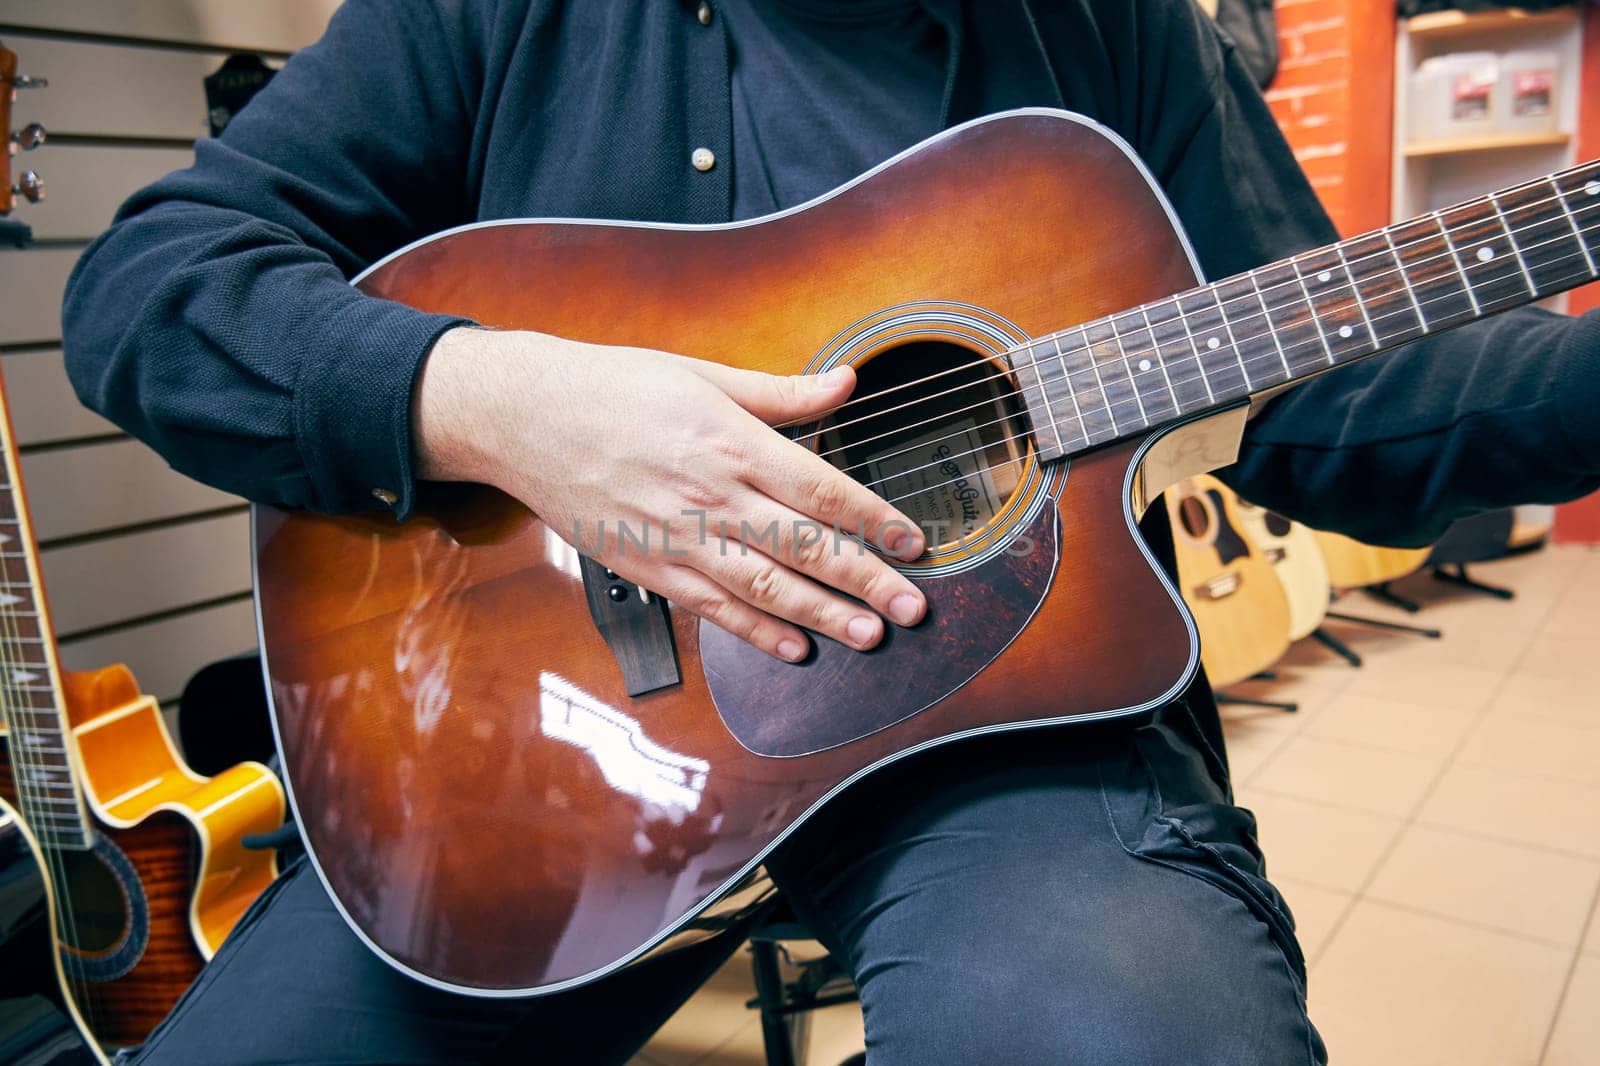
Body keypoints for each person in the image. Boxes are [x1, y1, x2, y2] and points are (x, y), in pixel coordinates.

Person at [60, 1, 1600, 1063]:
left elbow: (1338, 384)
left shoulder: (1112, 29)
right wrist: (502, 401)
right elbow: (144, 291)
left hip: (1012, 740)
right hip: (522, 774)